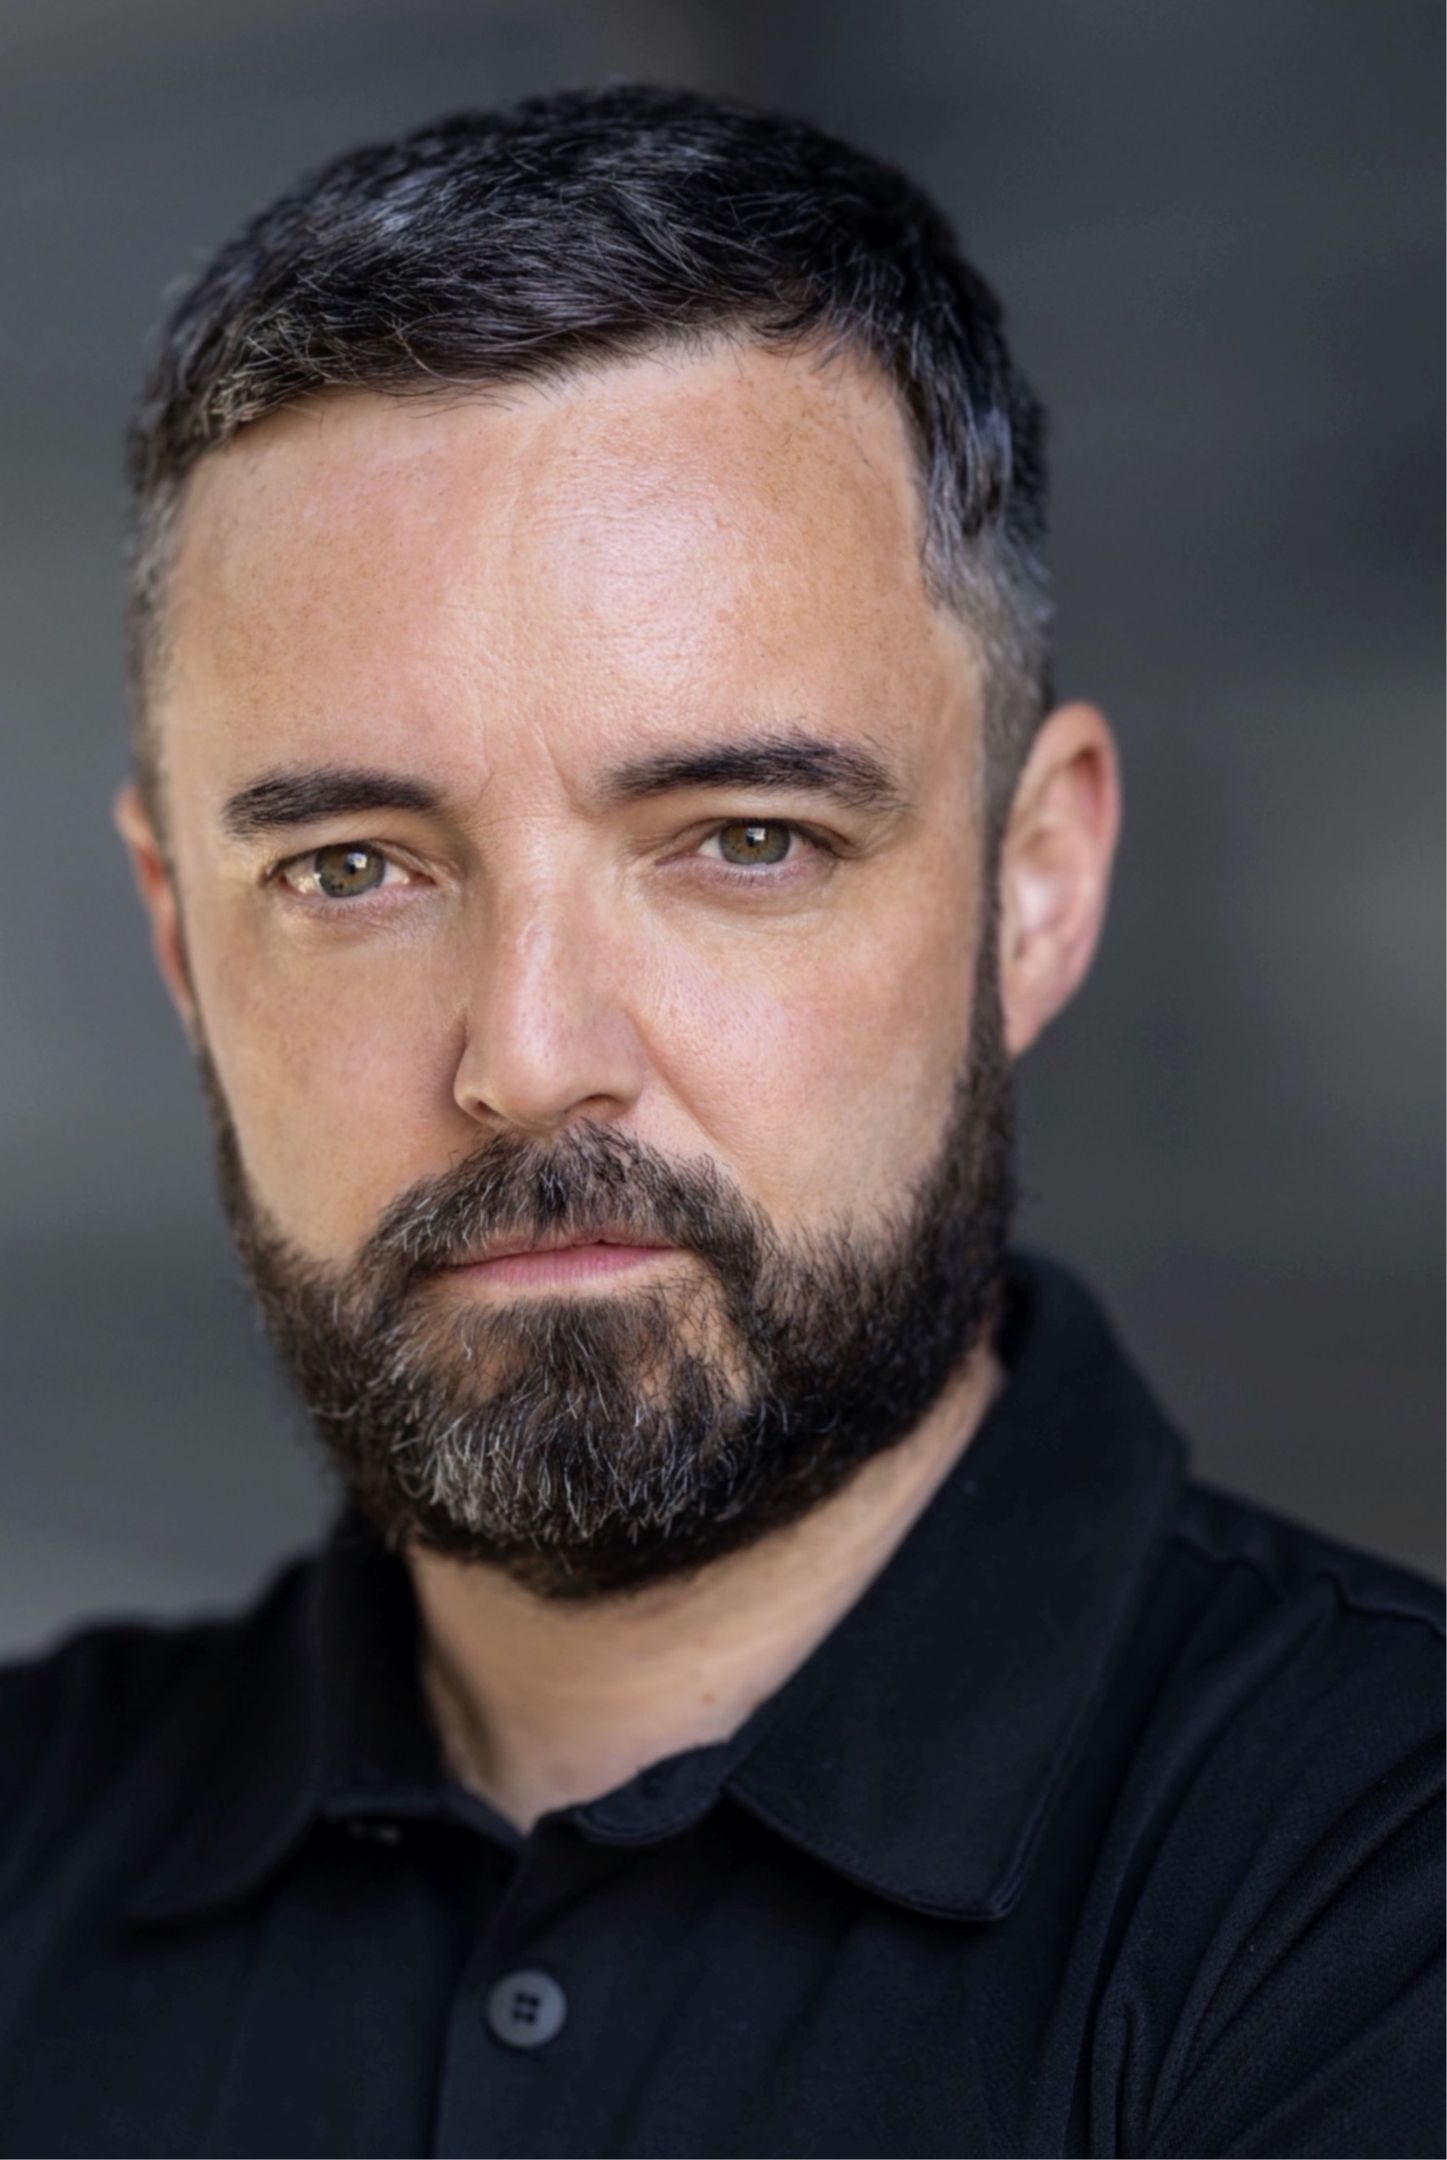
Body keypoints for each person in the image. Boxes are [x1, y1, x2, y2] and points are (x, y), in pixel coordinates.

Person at [0, 83, 1439, 2160]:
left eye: (743, 838)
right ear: (176, 942)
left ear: (1035, 887)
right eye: (351, 869)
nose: (528, 1055)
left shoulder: (1380, 1893)